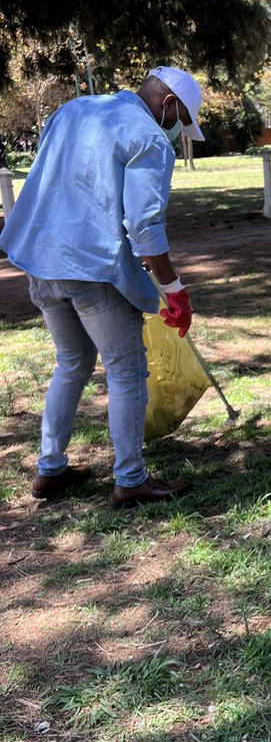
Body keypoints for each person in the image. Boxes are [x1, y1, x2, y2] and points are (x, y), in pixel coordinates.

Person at [0, 67, 204, 508]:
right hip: (93, 269)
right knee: (126, 371)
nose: (177, 132)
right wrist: (174, 289)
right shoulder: (148, 138)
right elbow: (144, 226)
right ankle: (130, 480)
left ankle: (50, 470)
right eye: (181, 121)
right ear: (168, 104)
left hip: (40, 257)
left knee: (71, 363)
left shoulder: (73, 109)